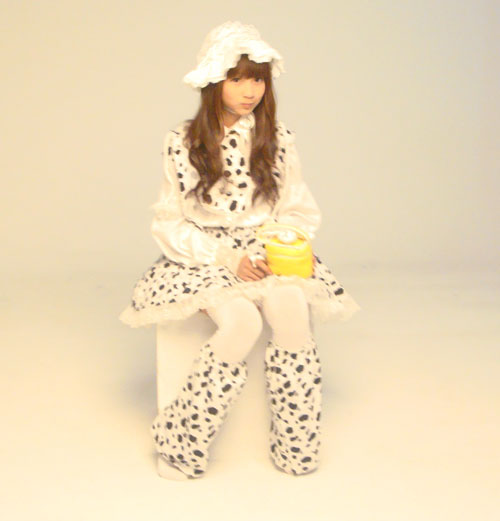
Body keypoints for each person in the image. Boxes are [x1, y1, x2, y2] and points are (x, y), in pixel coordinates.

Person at [119, 21, 360, 480]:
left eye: (258, 80)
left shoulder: (277, 138)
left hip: (264, 249)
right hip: (204, 256)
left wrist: (283, 246)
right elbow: (168, 220)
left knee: (291, 309)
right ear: (215, 80)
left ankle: (296, 444)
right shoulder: (183, 141)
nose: (250, 91)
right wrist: (227, 258)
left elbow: (295, 207)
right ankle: (180, 442)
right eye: (237, 79)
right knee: (243, 322)